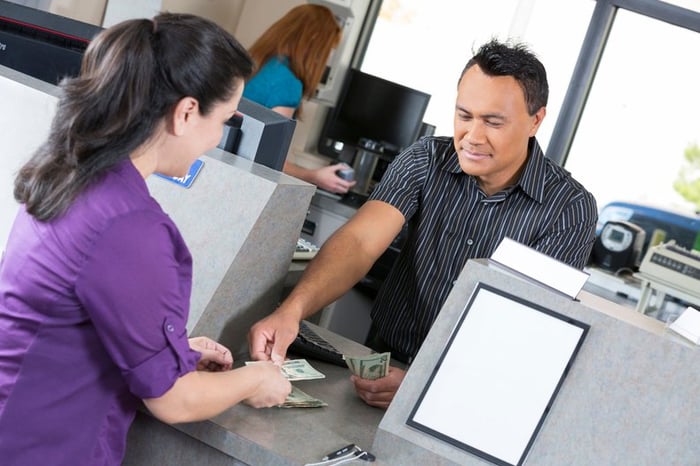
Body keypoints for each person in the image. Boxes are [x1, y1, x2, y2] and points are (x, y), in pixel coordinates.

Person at [0, 13, 291, 465]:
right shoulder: (128, 227)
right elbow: (175, 401)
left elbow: (71, 320)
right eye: (224, 121)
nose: (216, 140)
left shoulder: (73, 171)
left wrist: (169, 352)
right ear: (187, 112)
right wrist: (257, 379)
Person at [248, 39, 598, 409]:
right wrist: (292, 310)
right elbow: (360, 243)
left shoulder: (569, 208)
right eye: (464, 116)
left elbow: (525, 332)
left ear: (536, 120)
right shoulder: (425, 159)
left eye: (493, 122)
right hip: (386, 362)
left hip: (469, 393)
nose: (473, 137)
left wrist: (431, 384)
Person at [243, 4, 356, 194]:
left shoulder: (253, 63)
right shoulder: (288, 83)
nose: (326, 57)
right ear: (313, 41)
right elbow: (268, 159)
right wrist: (314, 176)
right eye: (328, 49)